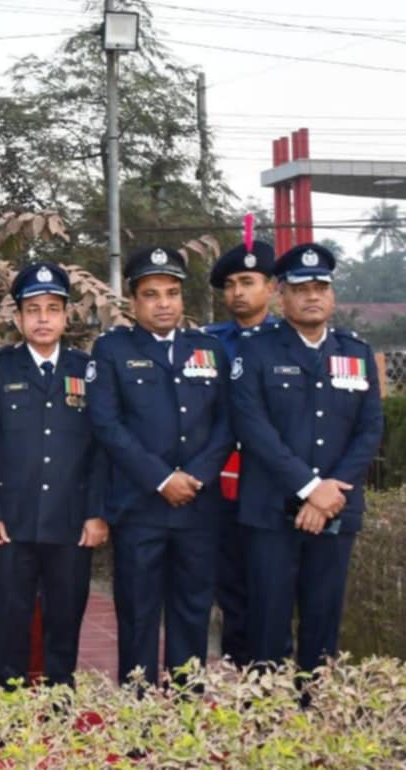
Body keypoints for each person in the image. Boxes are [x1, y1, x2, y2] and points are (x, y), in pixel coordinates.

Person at [231, 243, 383, 672]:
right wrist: (310, 488)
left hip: (337, 508)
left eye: (321, 287)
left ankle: (317, 720)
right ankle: (268, 724)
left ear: (332, 296)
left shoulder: (355, 353)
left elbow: (369, 428)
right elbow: (252, 427)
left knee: (323, 625)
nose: (313, 296)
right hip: (270, 512)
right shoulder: (256, 351)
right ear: (282, 295)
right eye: (302, 288)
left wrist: (329, 491)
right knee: (266, 628)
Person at [87, 246, 232, 686]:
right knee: (138, 614)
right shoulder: (112, 350)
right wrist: (162, 478)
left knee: (192, 613)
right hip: (139, 508)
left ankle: (186, 712)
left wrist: (196, 476)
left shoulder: (208, 349)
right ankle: (140, 712)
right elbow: (107, 424)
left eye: (172, 293)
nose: (164, 303)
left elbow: (227, 424)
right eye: (152, 294)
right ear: (134, 302)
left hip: (198, 507)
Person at [0, 262, 108, 688]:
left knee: (65, 614)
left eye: (52, 309)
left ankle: (60, 696)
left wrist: (96, 513)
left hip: (70, 520)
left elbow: (100, 450)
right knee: (9, 617)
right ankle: (9, 701)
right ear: (17, 317)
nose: (42, 318)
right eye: (32, 309)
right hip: (12, 522)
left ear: (65, 315)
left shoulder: (88, 370)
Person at [203, 239, 278, 664]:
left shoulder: (289, 343)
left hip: (272, 488)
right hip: (220, 489)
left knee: (273, 596)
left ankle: (272, 688)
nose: (238, 293)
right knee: (230, 592)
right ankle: (240, 684)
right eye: (230, 284)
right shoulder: (210, 344)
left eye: (248, 282)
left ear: (271, 287)